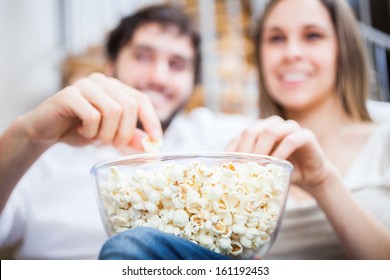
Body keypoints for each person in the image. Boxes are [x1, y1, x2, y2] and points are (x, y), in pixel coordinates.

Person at [98, 0, 390, 260]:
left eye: (312, 36)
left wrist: (324, 183)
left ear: (345, 47)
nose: (291, 52)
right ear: (259, 55)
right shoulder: (234, 138)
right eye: (276, 38)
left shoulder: (384, 134)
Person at [0, 4, 252, 259]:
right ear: (110, 67)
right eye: (142, 56)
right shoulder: (45, 153)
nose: (159, 77)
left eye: (177, 64)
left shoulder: (216, 137)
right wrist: (29, 134)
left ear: (192, 83)